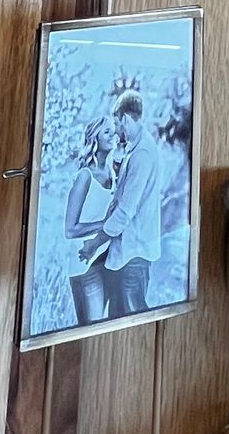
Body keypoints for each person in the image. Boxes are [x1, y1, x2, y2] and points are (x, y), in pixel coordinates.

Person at [98, 88, 162, 317]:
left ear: (125, 118)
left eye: (117, 123)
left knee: (132, 318)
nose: (116, 131)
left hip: (134, 254)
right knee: (118, 317)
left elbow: (125, 210)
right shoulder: (136, 149)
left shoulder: (142, 153)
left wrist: (97, 241)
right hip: (128, 253)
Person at [64, 117, 118, 326]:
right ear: (95, 138)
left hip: (105, 258)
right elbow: (70, 230)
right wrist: (105, 224)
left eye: (113, 131)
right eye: (107, 132)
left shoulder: (112, 173)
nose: (113, 135)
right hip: (84, 265)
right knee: (92, 328)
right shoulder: (85, 176)